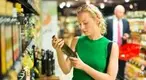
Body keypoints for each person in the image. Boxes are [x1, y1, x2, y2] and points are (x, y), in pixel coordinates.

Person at [52, 4, 119, 80]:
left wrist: (83, 66)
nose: (82, 28)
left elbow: (110, 78)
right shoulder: (76, 41)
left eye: (85, 23)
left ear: (97, 19)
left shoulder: (111, 46)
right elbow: (66, 70)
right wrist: (58, 50)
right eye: (80, 24)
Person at [105, 5, 131, 80]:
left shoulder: (126, 22)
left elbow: (128, 32)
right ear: (115, 12)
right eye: (120, 12)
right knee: (110, 65)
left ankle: (121, 78)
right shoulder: (108, 21)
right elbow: (104, 34)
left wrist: (127, 35)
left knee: (122, 66)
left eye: (123, 12)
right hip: (110, 47)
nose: (121, 14)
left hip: (122, 48)